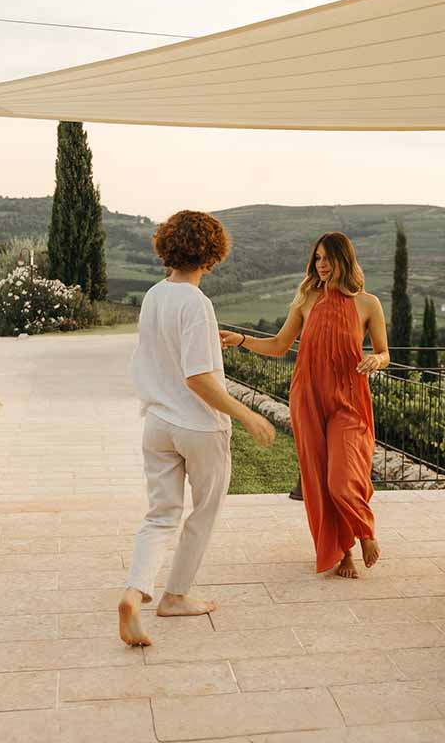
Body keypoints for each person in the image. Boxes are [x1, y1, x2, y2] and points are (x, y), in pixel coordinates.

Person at [119, 210, 275, 647]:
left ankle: (134, 593)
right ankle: (175, 596)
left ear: (167, 246)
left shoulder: (154, 295)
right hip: (199, 427)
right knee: (204, 512)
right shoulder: (197, 303)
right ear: (212, 253)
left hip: (158, 423)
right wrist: (248, 415)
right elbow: (199, 378)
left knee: (161, 515)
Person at [222, 232, 388, 578]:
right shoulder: (306, 300)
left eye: (328, 258)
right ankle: (344, 554)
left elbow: (384, 352)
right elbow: (279, 345)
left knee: (342, 479)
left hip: (349, 402)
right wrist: (241, 339)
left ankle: (364, 530)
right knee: (318, 481)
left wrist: (376, 359)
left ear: (344, 259)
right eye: (317, 258)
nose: (321, 265)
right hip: (307, 399)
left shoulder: (368, 304)